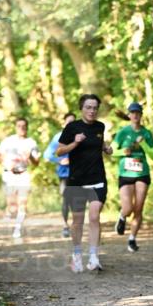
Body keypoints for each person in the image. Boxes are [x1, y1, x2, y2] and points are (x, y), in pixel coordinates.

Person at [56, 94, 112, 273]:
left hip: (97, 179)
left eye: (95, 108)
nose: (92, 111)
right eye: (88, 107)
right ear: (82, 109)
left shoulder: (100, 126)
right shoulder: (72, 127)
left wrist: (106, 148)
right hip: (77, 181)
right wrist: (75, 142)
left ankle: (94, 257)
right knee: (78, 221)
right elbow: (59, 151)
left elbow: (99, 143)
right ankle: (77, 254)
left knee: (94, 216)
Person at [113, 101, 153, 252]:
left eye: (138, 113)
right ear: (129, 115)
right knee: (128, 207)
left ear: (141, 115)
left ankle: (132, 238)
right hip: (125, 173)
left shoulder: (146, 133)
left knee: (138, 208)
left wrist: (144, 144)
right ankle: (122, 216)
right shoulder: (123, 132)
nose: (135, 115)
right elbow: (112, 151)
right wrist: (122, 152)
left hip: (142, 173)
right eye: (133, 113)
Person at [0, 117, 40, 239]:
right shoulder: (8, 141)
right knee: (12, 205)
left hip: (23, 174)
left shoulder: (31, 143)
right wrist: (6, 163)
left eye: (24, 126)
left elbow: (36, 163)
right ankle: (11, 217)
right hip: (9, 175)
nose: (22, 128)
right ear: (16, 127)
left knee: (23, 203)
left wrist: (29, 156)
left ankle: (17, 228)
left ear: (27, 127)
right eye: (19, 126)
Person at [43, 111, 76, 237]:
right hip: (64, 174)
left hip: (79, 173)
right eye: (68, 122)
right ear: (64, 123)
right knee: (66, 199)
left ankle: (75, 224)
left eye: (73, 122)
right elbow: (47, 155)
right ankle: (65, 225)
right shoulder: (58, 137)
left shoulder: (80, 137)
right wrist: (60, 160)